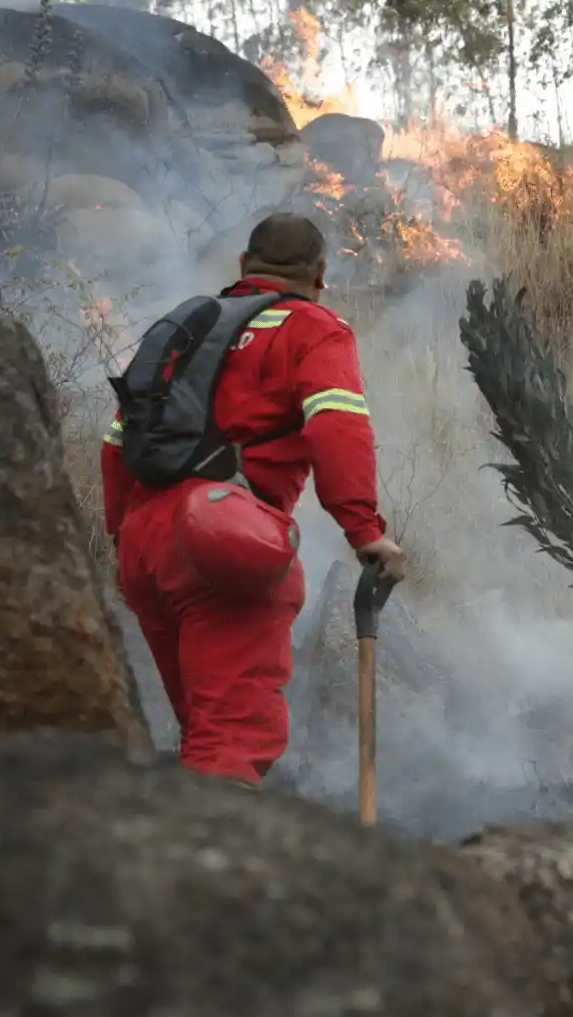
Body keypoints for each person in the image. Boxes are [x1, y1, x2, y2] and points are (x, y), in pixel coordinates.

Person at [102, 213, 406, 788]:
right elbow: (337, 425)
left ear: (243, 266)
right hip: (222, 539)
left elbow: (118, 437)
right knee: (231, 741)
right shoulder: (314, 327)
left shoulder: (183, 327)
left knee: (202, 732)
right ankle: (213, 873)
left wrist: (124, 533)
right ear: (320, 274)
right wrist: (364, 529)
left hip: (145, 540)